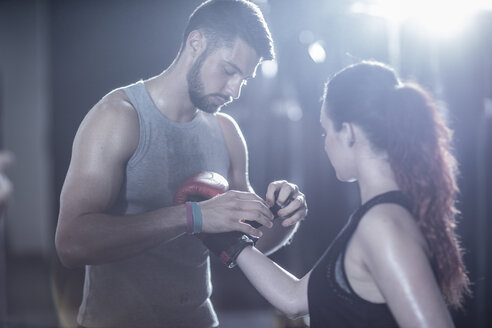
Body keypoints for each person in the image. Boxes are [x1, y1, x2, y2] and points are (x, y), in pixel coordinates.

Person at [54, 1, 307, 327]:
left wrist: (284, 216)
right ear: (196, 43)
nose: (235, 90)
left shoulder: (226, 132)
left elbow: (249, 243)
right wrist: (192, 217)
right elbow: (72, 244)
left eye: (244, 79)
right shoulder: (118, 117)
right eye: (229, 71)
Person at [234, 61, 470, 327]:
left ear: (348, 132)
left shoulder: (382, 224)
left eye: (326, 130)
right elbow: (294, 299)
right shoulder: (373, 217)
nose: (324, 142)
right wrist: (227, 241)